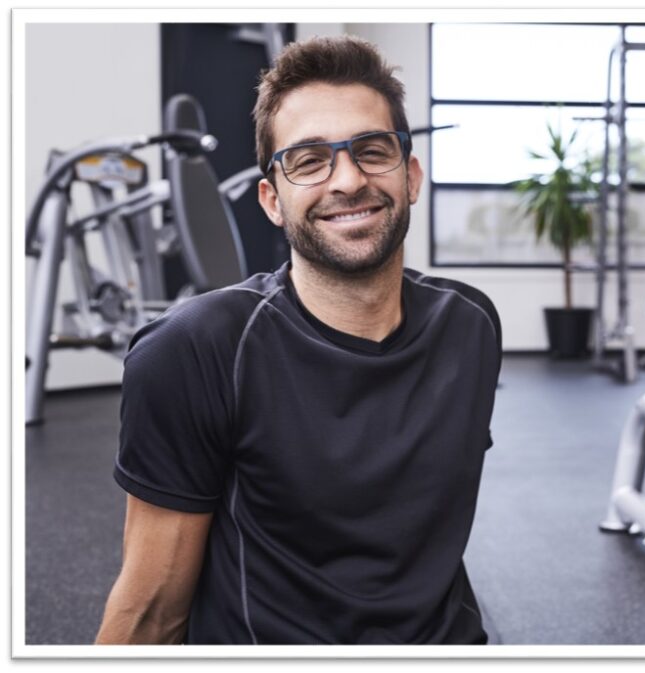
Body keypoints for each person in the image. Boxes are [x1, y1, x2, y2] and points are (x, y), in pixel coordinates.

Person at [95, 35, 502, 645]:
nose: (348, 180)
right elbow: (152, 613)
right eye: (309, 161)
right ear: (272, 200)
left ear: (411, 176)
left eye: (372, 151)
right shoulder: (193, 350)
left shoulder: (470, 325)